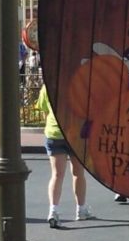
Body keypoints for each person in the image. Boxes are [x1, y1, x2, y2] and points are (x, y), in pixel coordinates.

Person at [34, 84, 94, 227]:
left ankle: (53, 210)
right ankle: (81, 208)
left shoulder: (48, 86)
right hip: (76, 134)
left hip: (54, 132)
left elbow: (44, 109)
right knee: (78, 173)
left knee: (57, 175)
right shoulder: (80, 84)